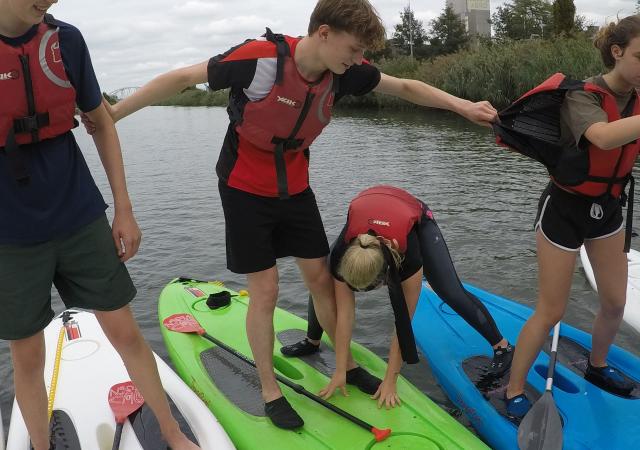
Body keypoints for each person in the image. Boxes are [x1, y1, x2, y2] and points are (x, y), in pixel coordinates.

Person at [85, 0, 498, 429]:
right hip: (244, 189)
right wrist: (114, 113)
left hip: (296, 190)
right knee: (265, 290)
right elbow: (183, 77)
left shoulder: (342, 73)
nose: (359, 61)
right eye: (354, 49)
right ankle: (269, 389)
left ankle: (346, 364)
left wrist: (463, 107)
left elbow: (405, 87)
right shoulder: (259, 60)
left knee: (323, 279)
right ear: (323, 33)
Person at [0, 1, 199, 449]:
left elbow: (102, 124)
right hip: (9, 231)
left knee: (126, 331)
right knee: (27, 355)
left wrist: (123, 209)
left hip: (78, 212)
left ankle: (171, 433)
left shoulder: (65, 40)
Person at [493, 16, 640, 420]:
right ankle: (516, 389)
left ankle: (596, 365)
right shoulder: (583, 95)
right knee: (551, 309)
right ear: (617, 52)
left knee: (614, 302)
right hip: (564, 211)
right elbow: (604, 137)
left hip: (608, 210)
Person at [279, 185, 514, 409]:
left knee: (448, 290)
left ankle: (502, 346)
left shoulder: (408, 262)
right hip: (370, 211)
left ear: (384, 278)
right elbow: (345, 315)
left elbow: (403, 324)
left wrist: (390, 380)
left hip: (412, 215)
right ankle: (313, 341)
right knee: (323, 289)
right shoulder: (344, 256)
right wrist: (340, 369)